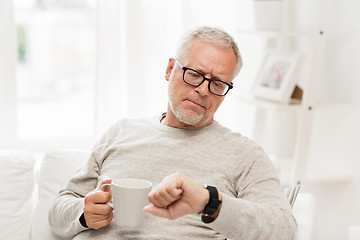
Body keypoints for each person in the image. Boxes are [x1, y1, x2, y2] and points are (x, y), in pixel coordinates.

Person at [49, 26, 297, 240]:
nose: (203, 90)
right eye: (194, 75)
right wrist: (82, 211)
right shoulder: (120, 132)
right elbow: (59, 210)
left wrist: (207, 200)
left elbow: (283, 228)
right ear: (170, 69)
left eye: (218, 83)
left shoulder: (244, 153)